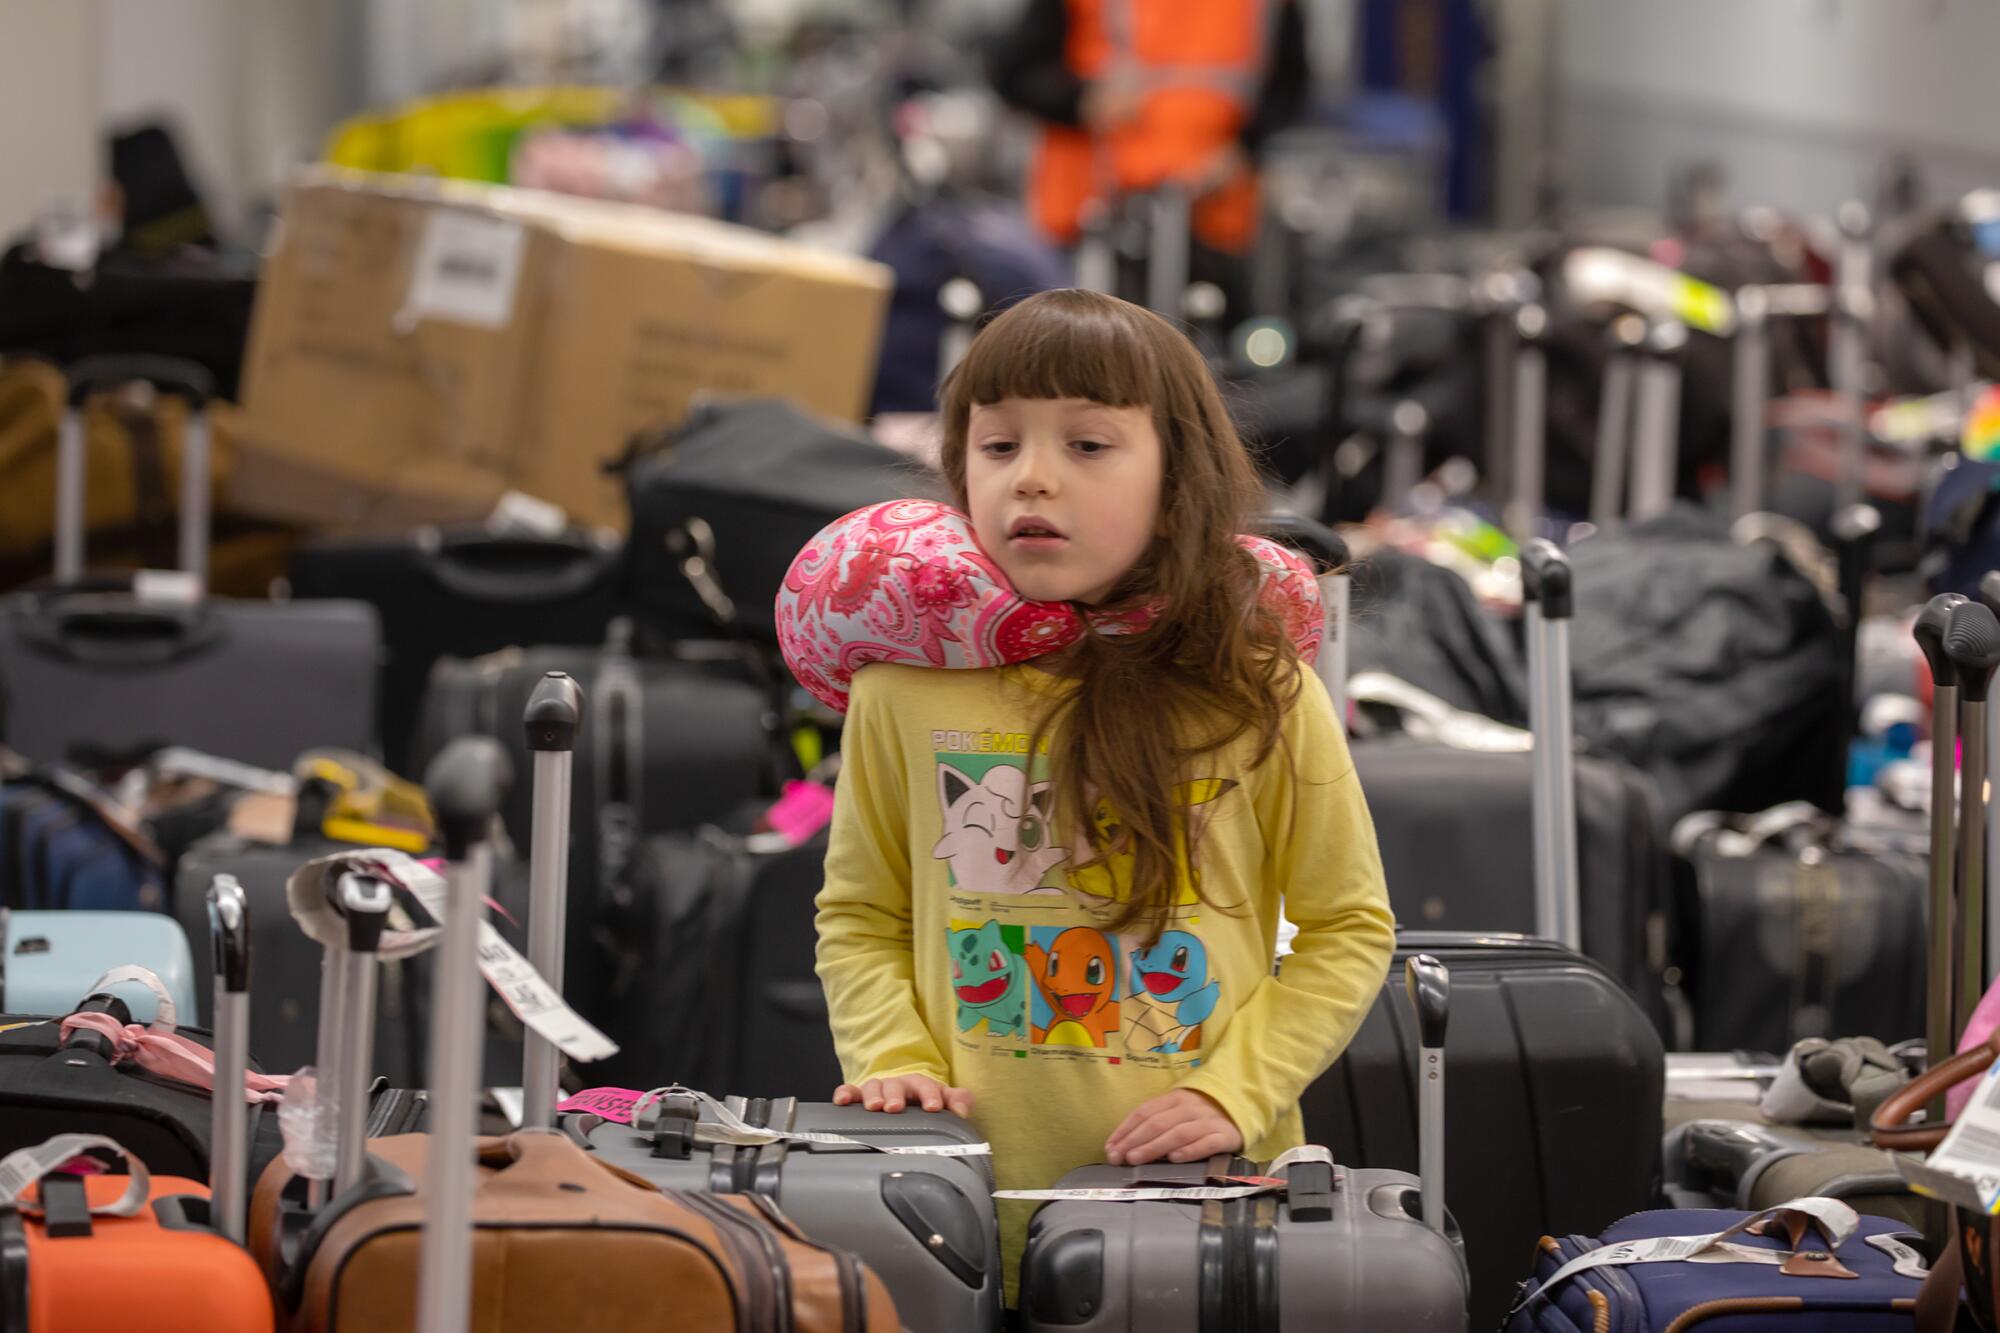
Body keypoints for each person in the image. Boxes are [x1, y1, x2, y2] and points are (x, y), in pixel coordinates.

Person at [813, 288, 1395, 1305]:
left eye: (1087, 445)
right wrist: (893, 1060)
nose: (1032, 478)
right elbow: (859, 915)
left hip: (1198, 1211)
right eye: (997, 448)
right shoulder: (899, 687)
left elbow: (1347, 927)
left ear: (1177, 477)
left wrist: (1232, 1090)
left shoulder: (1256, 686)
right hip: (953, 1213)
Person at [987, 0, 1310, 297]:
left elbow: (1288, 85)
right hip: (1093, 218)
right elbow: (1015, 70)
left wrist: (1243, 149)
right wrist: (1082, 99)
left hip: (1210, 222)